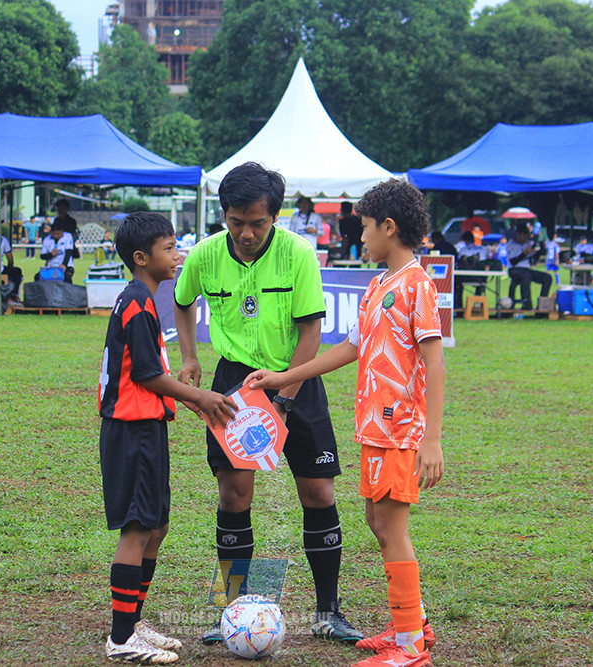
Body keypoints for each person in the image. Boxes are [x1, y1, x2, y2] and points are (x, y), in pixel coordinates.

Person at [245, 178, 443, 667]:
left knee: (392, 529)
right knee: (378, 522)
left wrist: (432, 439)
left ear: (390, 228)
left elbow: (434, 364)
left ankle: (410, 647)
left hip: (400, 430)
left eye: (366, 228)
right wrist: (285, 375)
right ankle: (410, 625)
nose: (361, 237)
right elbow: (351, 349)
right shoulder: (378, 285)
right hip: (373, 428)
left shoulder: (417, 285)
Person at [172, 162, 362, 645]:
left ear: (274, 216)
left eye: (258, 222)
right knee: (234, 495)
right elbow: (182, 297)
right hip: (235, 385)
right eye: (237, 221)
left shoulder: (298, 253)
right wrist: (190, 356)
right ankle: (228, 612)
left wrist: (283, 398)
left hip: (297, 377)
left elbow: (311, 331)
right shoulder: (208, 254)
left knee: (318, 493)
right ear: (225, 215)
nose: (247, 232)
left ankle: (327, 612)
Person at [99, 211, 237, 664]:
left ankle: (132, 621)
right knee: (138, 528)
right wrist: (201, 396)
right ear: (141, 258)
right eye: (168, 248)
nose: (178, 256)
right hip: (131, 430)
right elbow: (147, 374)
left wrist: (194, 401)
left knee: (156, 526)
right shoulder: (137, 303)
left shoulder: (145, 300)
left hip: (149, 426)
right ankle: (121, 639)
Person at [506, 223, 552, 310]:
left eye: (527, 236)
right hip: (514, 269)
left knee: (547, 278)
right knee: (525, 275)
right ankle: (526, 302)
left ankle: (542, 303)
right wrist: (524, 253)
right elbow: (513, 261)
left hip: (526, 269)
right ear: (518, 235)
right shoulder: (511, 245)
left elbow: (536, 257)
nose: (525, 238)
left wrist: (541, 244)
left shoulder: (528, 244)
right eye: (523, 236)